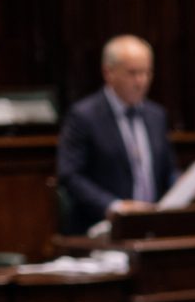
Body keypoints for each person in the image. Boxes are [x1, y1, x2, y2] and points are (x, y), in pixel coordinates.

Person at [57, 35, 178, 233]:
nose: (141, 81)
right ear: (108, 72)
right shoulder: (84, 116)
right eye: (133, 73)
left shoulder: (157, 115)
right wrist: (115, 207)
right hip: (101, 229)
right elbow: (70, 176)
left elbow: (167, 170)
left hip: (152, 225)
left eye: (147, 73)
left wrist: (183, 182)